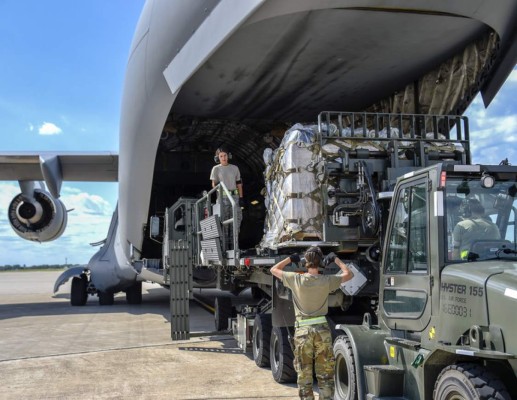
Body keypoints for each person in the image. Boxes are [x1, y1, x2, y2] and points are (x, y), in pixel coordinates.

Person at [270, 246, 354, 400]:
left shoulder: (296, 279)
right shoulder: (326, 281)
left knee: (304, 376)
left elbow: (274, 269)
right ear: (321, 262)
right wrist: (335, 259)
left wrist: (291, 259)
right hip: (322, 332)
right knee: (325, 375)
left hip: (302, 332)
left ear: (305, 262)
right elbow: (349, 274)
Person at [210, 147, 244, 246]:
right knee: (224, 223)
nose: (223, 158)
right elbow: (214, 184)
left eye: (225, 155)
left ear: (228, 156)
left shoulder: (235, 168)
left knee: (236, 221)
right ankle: (224, 246)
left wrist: (241, 197)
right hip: (222, 198)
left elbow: (239, 184)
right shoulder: (216, 169)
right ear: (217, 158)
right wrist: (218, 189)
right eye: (221, 156)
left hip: (235, 197)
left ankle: (235, 246)